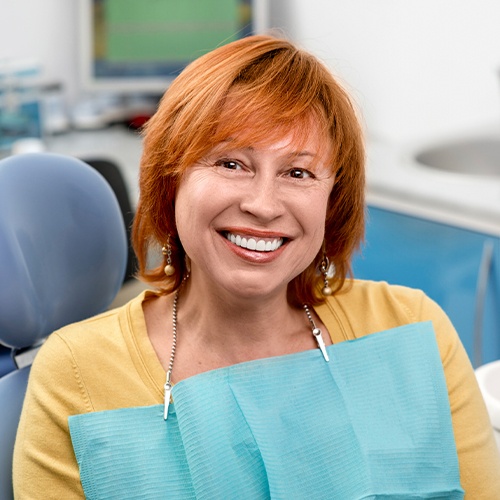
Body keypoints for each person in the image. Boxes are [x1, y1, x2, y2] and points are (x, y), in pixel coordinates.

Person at [13, 34, 500, 499]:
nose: (264, 205)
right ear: (170, 181)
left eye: (298, 172)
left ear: (332, 202)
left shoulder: (414, 329)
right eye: (231, 163)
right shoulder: (75, 374)